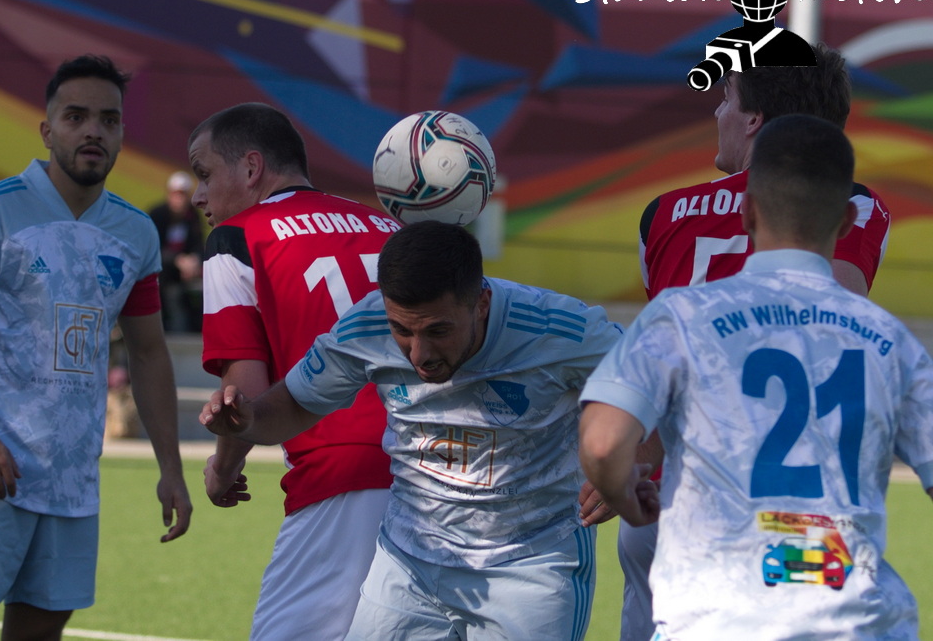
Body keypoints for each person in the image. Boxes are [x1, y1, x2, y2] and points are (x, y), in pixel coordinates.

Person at [579, 114, 933, 640]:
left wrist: (629, 497)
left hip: (714, 621)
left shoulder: (679, 316)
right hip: (857, 622)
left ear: (746, 213)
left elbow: (603, 443)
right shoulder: (892, 342)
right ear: (844, 223)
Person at [200, 220, 624, 640]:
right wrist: (250, 421)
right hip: (407, 561)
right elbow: (295, 403)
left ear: (481, 303)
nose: (419, 354)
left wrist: (633, 461)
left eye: (438, 330)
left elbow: (651, 381)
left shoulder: (561, 329)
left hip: (529, 563)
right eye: (402, 330)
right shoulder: (366, 324)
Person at [0, 54, 192, 641]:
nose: (93, 130)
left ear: (121, 133)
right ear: (47, 130)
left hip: (73, 480)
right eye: (76, 116)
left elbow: (148, 353)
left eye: (108, 120)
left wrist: (170, 467)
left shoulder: (136, 233)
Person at [188, 102, 398, 640]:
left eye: (204, 174)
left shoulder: (237, 238)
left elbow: (244, 396)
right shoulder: (390, 227)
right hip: (443, 470)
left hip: (342, 473)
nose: (197, 195)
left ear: (251, 167)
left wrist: (221, 470)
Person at [147, 170, 204, 333]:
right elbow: (151, 249)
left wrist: (194, 260)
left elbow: (198, 244)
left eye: (183, 195)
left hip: (185, 272)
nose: (179, 199)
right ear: (169, 194)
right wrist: (177, 260)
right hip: (160, 271)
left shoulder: (193, 217)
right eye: (176, 194)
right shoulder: (157, 215)